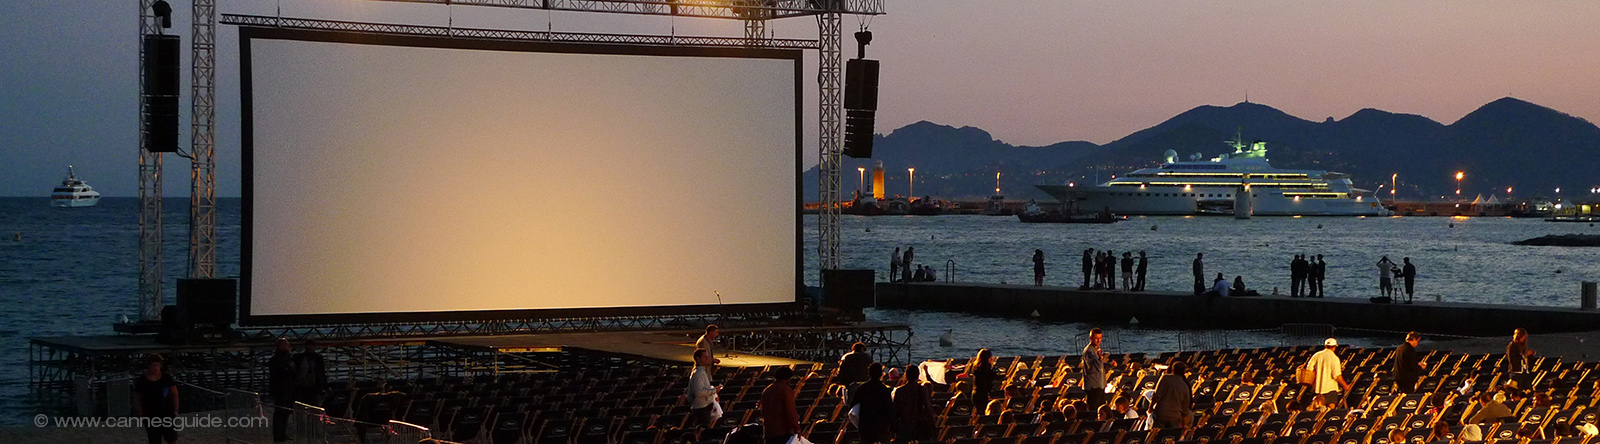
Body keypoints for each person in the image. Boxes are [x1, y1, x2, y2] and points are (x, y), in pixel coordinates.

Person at [134, 354, 179, 444]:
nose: (156, 368)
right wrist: (140, 413)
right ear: (149, 366)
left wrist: (175, 410)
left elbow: (174, 394)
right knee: (154, 439)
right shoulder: (142, 381)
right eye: (153, 366)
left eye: (158, 365)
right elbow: (137, 398)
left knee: (171, 438)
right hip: (150, 414)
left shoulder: (166, 378)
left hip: (167, 413)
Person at [850, 363, 894, 444]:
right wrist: (892, 426)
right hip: (881, 425)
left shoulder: (862, 388)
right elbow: (889, 409)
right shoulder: (884, 389)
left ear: (869, 373)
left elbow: (853, 405)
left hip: (865, 424)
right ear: (881, 374)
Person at [891, 365, 936, 443]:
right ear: (918, 375)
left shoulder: (899, 391)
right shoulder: (922, 389)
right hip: (918, 426)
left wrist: (894, 429)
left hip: (904, 426)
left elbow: (895, 411)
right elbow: (928, 409)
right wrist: (933, 425)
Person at [1307, 338, 1351, 409]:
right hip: (1330, 388)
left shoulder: (1316, 355)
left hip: (1317, 388)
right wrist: (1345, 385)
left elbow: (1309, 369)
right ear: (1334, 347)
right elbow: (1336, 375)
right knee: (1331, 409)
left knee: (1317, 409)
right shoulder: (1334, 358)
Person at [760, 366, 800, 444]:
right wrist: (796, 428)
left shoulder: (767, 390)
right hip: (783, 431)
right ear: (788, 378)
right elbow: (790, 411)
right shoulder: (786, 390)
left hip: (769, 431)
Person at [686, 349, 722, 433]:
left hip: (704, 406)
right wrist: (714, 390)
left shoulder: (701, 372)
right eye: (705, 357)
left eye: (708, 356)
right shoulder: (698, 373)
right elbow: (698, 392)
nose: (707, 358)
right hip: (700, 408)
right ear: (698, 359)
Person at [267, 338, 295, 442]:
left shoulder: (287, 358)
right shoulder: (277, 359)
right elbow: (281, 372)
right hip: (281, 389)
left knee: (286, 412)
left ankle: (282, 433)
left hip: (288, 388)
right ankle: (278, 434)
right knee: (280, 413)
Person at [1151, 362, 1192, 429]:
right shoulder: (1185, 385)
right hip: (1175, 415)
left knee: (1158, 435)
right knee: (1171, 436)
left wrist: (1151, 407)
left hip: (1161, 413)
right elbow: (1185, 406)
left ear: (1172, 369)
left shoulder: (1165, 378)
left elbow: (1156, 395)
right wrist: (1184, 423)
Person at [292, 340, 328, 407]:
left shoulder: (300, 357)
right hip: (307, 385)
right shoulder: (317, 358)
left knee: (307, 404)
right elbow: (322, 372)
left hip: (312, 385)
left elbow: (321, 372)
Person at [1082, 329, 1111, 411]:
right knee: (1093, 408)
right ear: (1091, 338)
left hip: (1100, 383)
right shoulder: (1089, 351)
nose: (1099, 340)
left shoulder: (1096, 349)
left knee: (1102, 407)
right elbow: (1092, 367)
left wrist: (1110, 365)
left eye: (1100, 338)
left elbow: (1101, 365)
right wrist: (1099, 358)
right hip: (1093, 385)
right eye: (1096, 338)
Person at [964, 349, 998, 414]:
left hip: (976, 393)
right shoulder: (985, 369)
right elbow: (990, 379)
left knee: (979, 412)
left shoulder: (976, 368)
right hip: (982, 395)